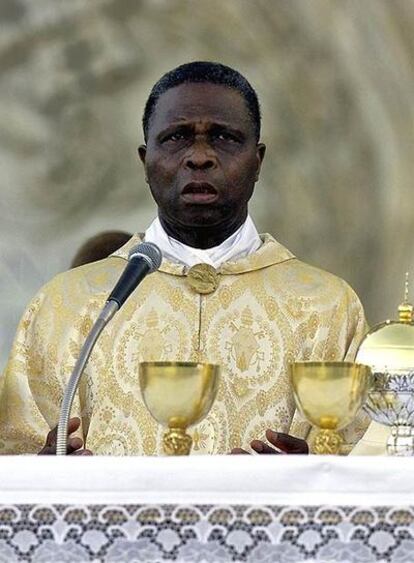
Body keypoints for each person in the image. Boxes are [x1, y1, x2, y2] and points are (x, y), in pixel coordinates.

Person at [0, 61, 370, 456]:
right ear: (145, 160)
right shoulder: (68, 304)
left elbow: (367, 461)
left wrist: (315, 471)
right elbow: (16, 455)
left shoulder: (327, 306)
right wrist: (40, 469)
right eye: (176, 137)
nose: (200, 157)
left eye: (224, 137)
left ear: (257, 160)